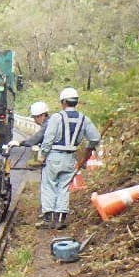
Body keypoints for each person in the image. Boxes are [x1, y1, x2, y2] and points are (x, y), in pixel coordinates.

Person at [38, 87, 101, 229]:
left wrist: (43, 154)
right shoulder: (84, 119)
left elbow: (48, 139)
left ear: (64, 102)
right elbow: (95, 137)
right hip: (70, 157)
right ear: (76, 102)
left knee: (49, 186)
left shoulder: (56, 117)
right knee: (64, 187)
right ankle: (60, 219)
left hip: (54, 156)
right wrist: (88, 150)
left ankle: (48, 219)